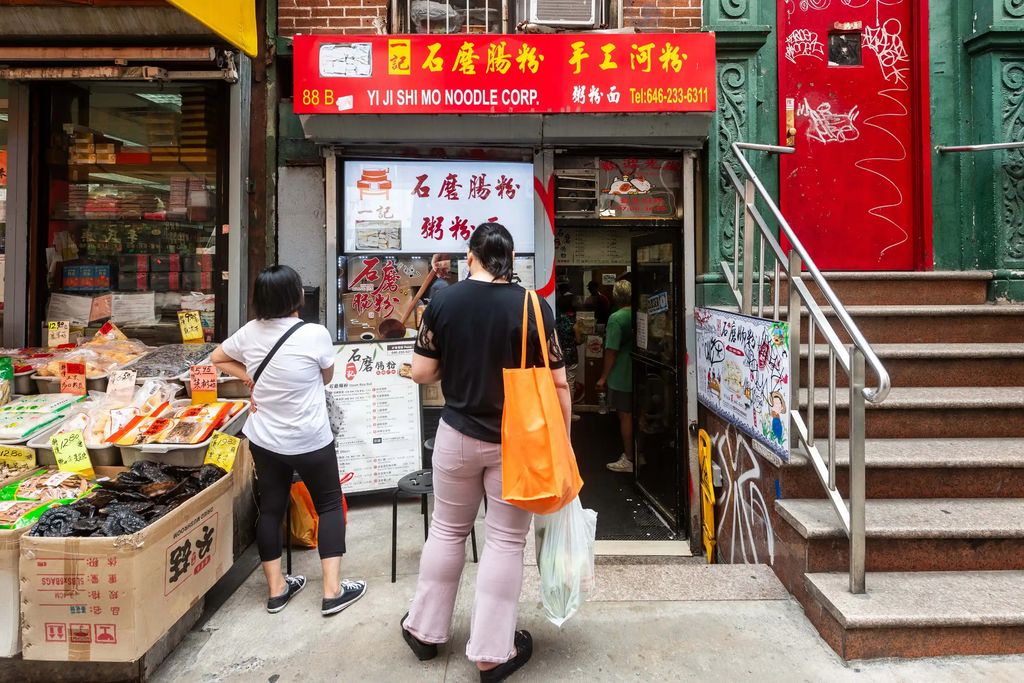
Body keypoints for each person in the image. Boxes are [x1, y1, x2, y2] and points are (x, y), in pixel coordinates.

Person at [401, 223, 572, 682]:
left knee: (447, 531)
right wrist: (565, 441)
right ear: (510, 260)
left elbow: (421, 372)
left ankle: (424, 631)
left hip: (455, 435)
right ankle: (492, 653)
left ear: (471, 256)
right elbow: (557, 382)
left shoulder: (444, 301)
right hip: (515, 444)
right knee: (505, 542)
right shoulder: (534, 306)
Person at [212, 265, 366, 616]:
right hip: (311, 438)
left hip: (265, 440)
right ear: (296, 295)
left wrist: (248, 377)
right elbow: (326, 377)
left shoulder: (249, 333)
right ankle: (332, 591)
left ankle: (277, 589)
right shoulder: (314, 334)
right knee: (328, 505)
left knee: (271, 508)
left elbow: (217, 357)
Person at [598, 279, 635, 473]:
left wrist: (603, 377)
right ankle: (639, 453)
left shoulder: (616, 318)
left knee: (625, 416)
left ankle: (629, 458)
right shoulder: (637, 314)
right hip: (637, 372)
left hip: (622, 374)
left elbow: (611, 351)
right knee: (638, 415)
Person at [555, 292, 582, 416]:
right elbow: (578, 340)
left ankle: (558, 411)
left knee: (558, 383)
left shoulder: (556, 320)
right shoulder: (574, 322)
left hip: (558, 354)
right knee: (569, 383)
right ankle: (569, 413)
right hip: (571, 355)